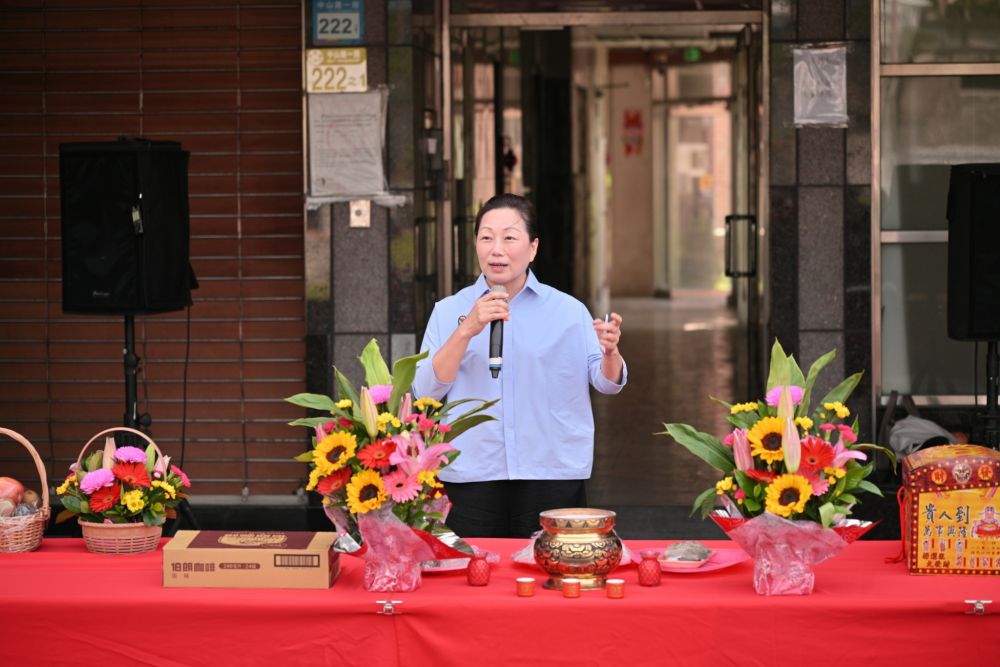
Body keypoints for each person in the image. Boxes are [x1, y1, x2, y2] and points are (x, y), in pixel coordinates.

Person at [412, 193, 627, 538]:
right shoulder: (449, 310)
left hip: (551, 472)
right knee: (476, 580)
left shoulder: (568, 311)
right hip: (472, 474)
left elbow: (606, 382)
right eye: (486, 237)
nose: (496, 249)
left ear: (532, 248)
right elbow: (425, 391)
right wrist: (466, 330)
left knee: (552, 579)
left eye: (509, 237)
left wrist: (610, 353)